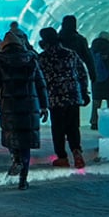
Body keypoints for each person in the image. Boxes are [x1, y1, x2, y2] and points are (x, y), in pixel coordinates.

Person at [0, 31, 48, 190]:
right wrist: (44, 105)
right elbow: (40, 83)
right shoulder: (31, 58)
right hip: (29, 106)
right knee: (25, 141)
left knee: (12, 136)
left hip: (9, 106)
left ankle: (15, 157)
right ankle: (23, 180)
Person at [36, 27, 90, 168]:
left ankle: (62, 157)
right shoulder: (70, 54)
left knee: (58, 128)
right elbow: (82, 73)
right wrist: (84, 92)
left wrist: (40, 99)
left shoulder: (42, 58)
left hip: (55, 98)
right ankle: (77, 152)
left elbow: (39, 80)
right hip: (73, 95)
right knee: (73, 126)